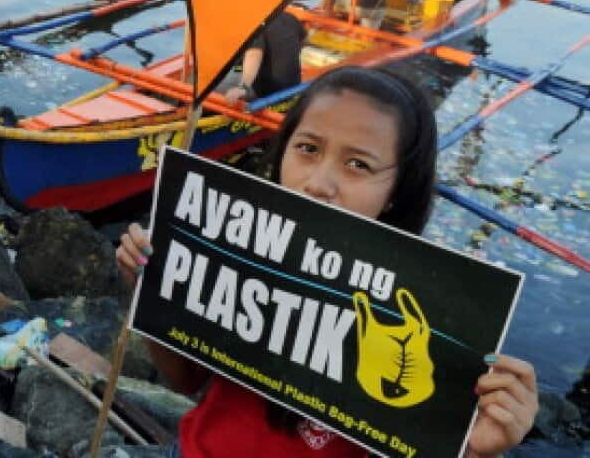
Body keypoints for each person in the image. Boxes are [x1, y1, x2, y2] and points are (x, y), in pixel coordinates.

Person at [118, 66, 539, 458]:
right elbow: (186, 380)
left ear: (396, 188)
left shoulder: (426, 321)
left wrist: (474, 449)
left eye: (358, 164)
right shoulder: (234, 252)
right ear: (282, 150)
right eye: (307, 148)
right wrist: (153, 291)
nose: (318, 184)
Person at [223, 10, 305, 105]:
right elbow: (303, 39)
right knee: (238, 66)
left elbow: (254, 55)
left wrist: (242, 88)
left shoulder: (255, 22)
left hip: (264, 91)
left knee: (213, 79)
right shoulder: (289, 17)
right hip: (291, 89)